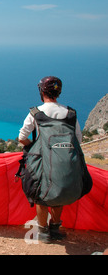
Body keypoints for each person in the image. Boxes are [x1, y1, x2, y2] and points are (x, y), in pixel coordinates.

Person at [18, 76, 83, 243]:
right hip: (66, 161)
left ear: (41, 91)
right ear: (58, 92)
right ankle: (55, 227)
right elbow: (78, 140)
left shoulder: (36, 113)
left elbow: (22, 137)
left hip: (43, 161)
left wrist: (34, 147)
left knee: (40, 195)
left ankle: (44, 232)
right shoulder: (70, 113)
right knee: (58, 191)